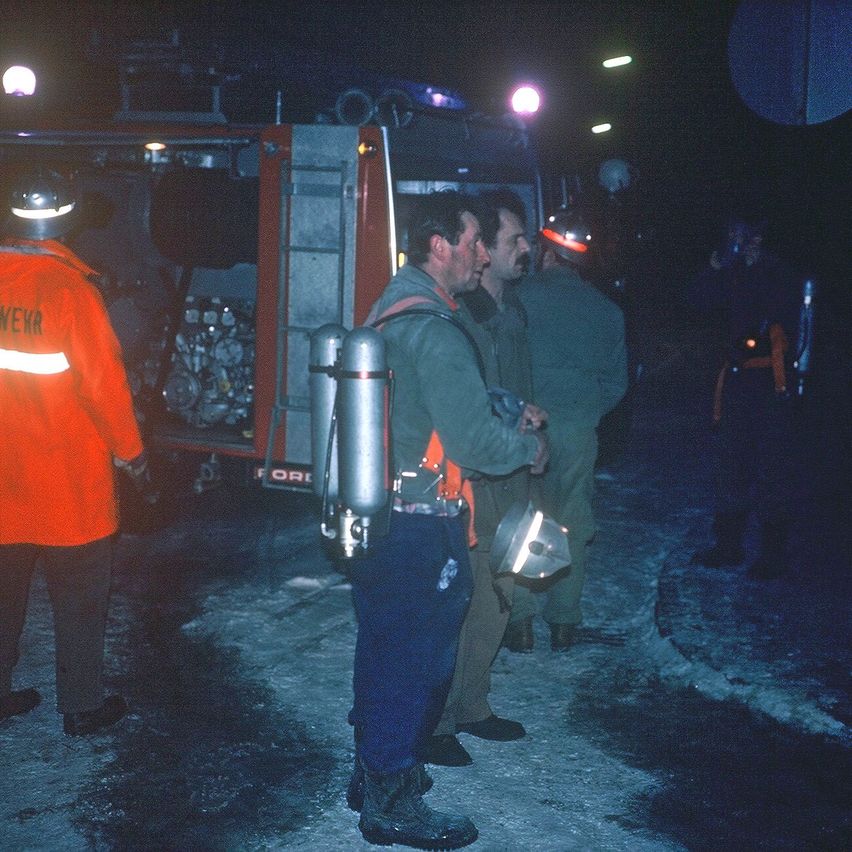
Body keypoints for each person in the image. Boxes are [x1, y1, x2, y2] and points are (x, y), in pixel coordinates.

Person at [347, 190, 547, 849]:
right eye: (473, 242)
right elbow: (475, 445)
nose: (483, 255)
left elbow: (426, 402)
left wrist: (501, 405)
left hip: (380, 511)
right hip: (419, 524)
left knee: (383, 648)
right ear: (440, 247)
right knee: (415, 663)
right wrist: (529, 448)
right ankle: (392, 801)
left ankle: (373, 771)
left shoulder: (395, 306)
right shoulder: (433, 328)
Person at [0, 169, 148, 735]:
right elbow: (104, 386)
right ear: (69, 219)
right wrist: (132, 453)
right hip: (66, 484)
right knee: (80, 597)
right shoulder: (70, 291)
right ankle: (82, 706)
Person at [424, 188, 546, 767]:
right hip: (471, 477)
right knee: (459, 598)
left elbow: (516, 392)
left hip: (512, 473)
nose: (526, 249)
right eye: (512, 240)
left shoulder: (512, 313)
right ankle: (437, 719)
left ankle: (472, 704)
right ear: (484, 252)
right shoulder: (458, 318)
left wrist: (532, 438)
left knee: (499, 592)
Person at [505, 209, 628, 652]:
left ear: (546, 252)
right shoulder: (607, 311)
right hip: (577, 430)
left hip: (523, 429)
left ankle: (519, 621)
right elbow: (616, 384)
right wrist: (583, 413)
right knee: (572, 522)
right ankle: (563, 623)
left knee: (520, 518)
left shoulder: (517, 298)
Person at [687, 219, 801, 578]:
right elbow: (697, 302)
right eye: (733, 237)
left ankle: (773, 554)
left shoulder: (778, 273)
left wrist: (757, 266)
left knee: (771, 468)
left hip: (771, 383)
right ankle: (728, 545)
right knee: (731, 465)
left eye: (744, 237)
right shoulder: (731, 271)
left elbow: (780, 311)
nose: (738, 243)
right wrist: (714, 267)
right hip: (737, 380)